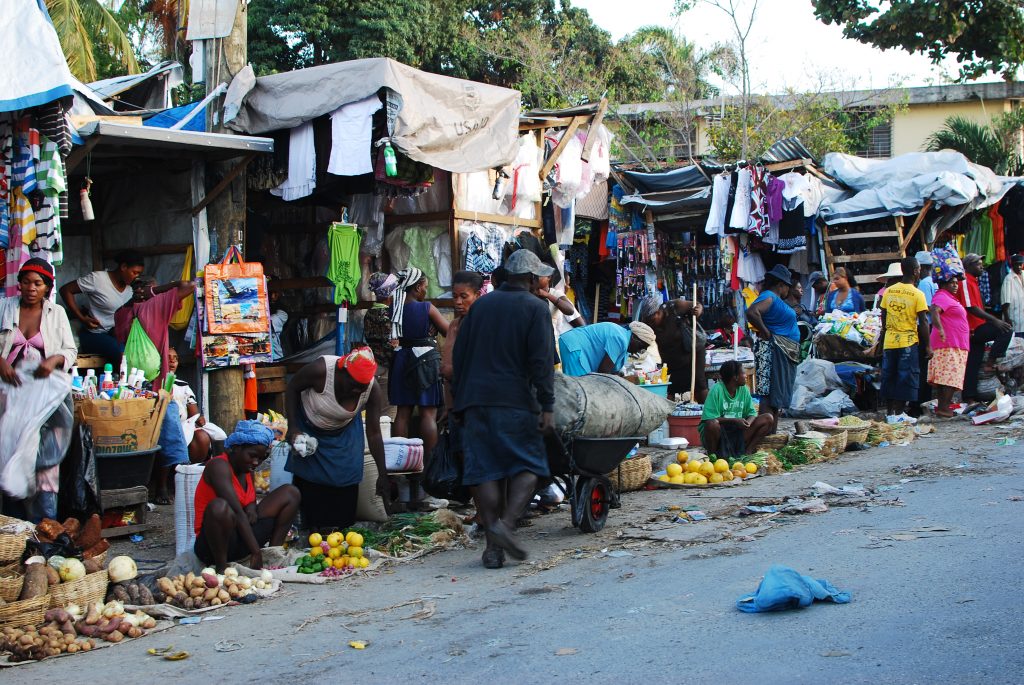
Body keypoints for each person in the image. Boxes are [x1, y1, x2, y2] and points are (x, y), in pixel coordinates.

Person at [451, 249, 555, 568]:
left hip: (474, 399)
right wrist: (547, 405)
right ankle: (505, 526)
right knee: (530, 464)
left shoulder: (480, 306)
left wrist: (460, 399)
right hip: (513, 400)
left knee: (486, 470)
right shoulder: (535, 308)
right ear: (532, 278)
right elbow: (542, 361)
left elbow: (459, 356)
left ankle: (492, 548)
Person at [0, 259, 77, 521]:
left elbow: (70, 350)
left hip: (45, 401)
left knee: (44, 465)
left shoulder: (56, 313)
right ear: (18, 284)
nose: (31, 288)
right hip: (10, 398)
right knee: (9, 458)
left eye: (38, 283)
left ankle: (44, 534)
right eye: (26, 282)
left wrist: (54, 360)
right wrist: (1, 362)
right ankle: (12, 532)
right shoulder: (4, 308)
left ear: (47, 287)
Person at [285, 347, 391, 531]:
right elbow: (292, 387)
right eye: (354, 385)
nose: (357, 391)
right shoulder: (320, 370)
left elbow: (374, 433)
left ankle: (342, 528)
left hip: (345, 433)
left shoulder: (372, 389)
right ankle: (313, 529)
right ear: (342, 372)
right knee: (313, 483)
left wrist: (383, 474)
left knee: (347, 479)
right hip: (310, 427)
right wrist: (293, 427)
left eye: (361, 388)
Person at [192, 420, 300, 572]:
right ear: (236, 448)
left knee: (290, 493)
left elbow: (247, 501)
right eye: (252, 456)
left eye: (261, 459)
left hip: (240, 537)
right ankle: (222, 568)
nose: (256, 462)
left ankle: (273, 554)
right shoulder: (218, 466)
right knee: (219, 507)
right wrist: (255, 551)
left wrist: (251, 507)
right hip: (213, 545)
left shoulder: (246, 468)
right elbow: (235, 509)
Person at [388, 268, 449, 460]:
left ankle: (401, 462)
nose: (425, 291)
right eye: (424, 287)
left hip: (401, 360)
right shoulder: (426, 308)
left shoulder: (393, 308)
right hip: (426, 360)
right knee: (428, 414)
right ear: (416, 287)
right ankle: (430, 465)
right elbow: (448, 331)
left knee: (402, 414)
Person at [59, 250, 144, 363]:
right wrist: (81, 318)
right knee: (122, 354)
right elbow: (66, 290)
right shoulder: (98, 279)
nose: (136, 277)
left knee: (139, 351)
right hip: (94, 334)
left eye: (139, 274)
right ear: (123, 267)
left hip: (114, 334)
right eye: (134, 272)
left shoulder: (130, 289)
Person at [745, 264, 801, 432]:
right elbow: (752, 312)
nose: (788, 291)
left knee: (776, 397)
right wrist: (766, 331)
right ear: (780, 285)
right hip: (774, 350)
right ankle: (764, 434)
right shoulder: (770, 296)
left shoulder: (775, 299)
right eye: (787, 287)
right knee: (770, 396)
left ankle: (771, 435)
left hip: (783, 350)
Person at [113, 276, 195, 386]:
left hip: (129, 379)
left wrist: (134, 298)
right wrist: (153, 291)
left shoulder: (122, 313)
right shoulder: (156, 305)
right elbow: (190, 285)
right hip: (157, 383)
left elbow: (119, 312)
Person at [878, 257, 930, 421]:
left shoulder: (889, 291)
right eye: (919, 269)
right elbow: (923, 322)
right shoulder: (918, 294)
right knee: (905, 377)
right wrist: (928, 346)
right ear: (915, 271)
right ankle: (899, 414)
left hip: (890, 342)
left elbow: (884, 317)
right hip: (907, 342)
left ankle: (889, 414)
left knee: (889, 376)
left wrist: (884, 337)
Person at [956, 253, 1013, 401]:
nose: (981, 266)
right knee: (1006, 329)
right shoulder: (965, 281)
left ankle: (970, 397)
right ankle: (991, 362)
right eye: (978, 264)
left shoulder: (973, 281)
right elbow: (971, 307)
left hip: (976, 327)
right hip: (973, 328)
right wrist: (995, 321)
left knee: (972, 364)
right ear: (968, 266)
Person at [637, 294, 709, 402]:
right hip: (671, 359)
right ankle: (670, 413)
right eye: (648, 321)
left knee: (699, 383)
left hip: (692, 353)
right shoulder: (648, 322)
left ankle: (708, 414)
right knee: (670, 386)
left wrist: (697, 310)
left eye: (652, 320)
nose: (650, 323)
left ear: (659, 311)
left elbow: (697, 305)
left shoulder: (674, 307)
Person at [699, 361, 773, 458]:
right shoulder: (716, 390)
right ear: (735, 377)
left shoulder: (744, 389)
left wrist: (748, 423)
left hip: (738, 431)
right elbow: (710, 419)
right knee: (712, 424)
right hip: (720, 433)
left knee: (768, 418)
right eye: (743, 373)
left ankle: (748, 452)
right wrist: (734, 420)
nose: (746, 375)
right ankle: (712, 456)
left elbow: (752, 413)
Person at [928, 264, 970, 418]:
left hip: (955, 343)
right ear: (943, 284)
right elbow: (934, 311)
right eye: (951, 282)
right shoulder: (941, 296)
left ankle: (943, 407)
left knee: (946, 377)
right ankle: (944, 408)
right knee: (949, 378)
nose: (955, 285)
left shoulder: (949, 297)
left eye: (955, 282)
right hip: (949, 343)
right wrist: (940, 329)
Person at [166, 348, 213, 463]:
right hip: (163, 429)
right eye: (168, 358)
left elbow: (194, 416)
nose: (172, 361)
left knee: (202, 437)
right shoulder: (152, 384)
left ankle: (189, 470)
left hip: (182, 426)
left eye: (175, 358)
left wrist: (199, 419)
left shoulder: (183, 386)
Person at [558, 321, 653, 376]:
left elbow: (613, 371)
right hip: (574, 346)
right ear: (635, 338)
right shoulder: (620, 339)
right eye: (641, 347)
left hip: (574, 345)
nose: (640, 351)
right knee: (578, 390)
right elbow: (603, 372)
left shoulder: (625, 343)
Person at [534, 272, 583, 336]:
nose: (535, 278)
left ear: (549, 277)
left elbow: (570, 311)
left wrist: (548, 295)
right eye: (534, 276)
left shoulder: (555, 294)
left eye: (539, 276)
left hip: (556, 337)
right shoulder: (530, 294)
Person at [999, 254, 1024, 334]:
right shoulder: (1008, 279)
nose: (1019, 267)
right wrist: (1007, 318)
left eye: (1020, 264)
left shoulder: (1023, 274)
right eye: (1017, 264)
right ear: (1012, 264)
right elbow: (1005, 302)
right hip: (1014, 317)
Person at [266, 275, 289, 361]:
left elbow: (271, 321)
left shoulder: (282, 312)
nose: (274, 296)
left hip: (275, 353)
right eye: (272, 292)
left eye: (276, 293)